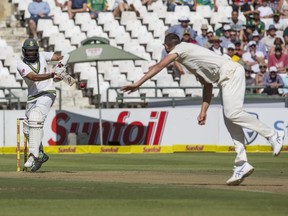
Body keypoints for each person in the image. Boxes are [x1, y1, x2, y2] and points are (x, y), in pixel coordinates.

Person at [121, 33, 284, 186]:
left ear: (167, 46)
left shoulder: (181, 48)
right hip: (224, 79)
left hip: (230, 73)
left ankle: (273, 135)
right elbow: (207, 84)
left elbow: (160, 65)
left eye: (165, 48)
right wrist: (203, 110)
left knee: (232, 113)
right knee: (230, 121)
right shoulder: (190, 59)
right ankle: (242, 163)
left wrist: (138, 83)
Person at [16, 38, 64, 172]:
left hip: (47, 92)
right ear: (24, 51)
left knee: (35, 117)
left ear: (37, 50)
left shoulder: (43, 55)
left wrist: (62, 64)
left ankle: (33, 155)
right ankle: (41, 154)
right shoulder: (20, 65)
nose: (31, 54)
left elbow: (57, 57)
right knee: (27, 128)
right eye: (28, 51)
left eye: (33, 51)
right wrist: (53, 74)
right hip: (32, 97)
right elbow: (33, 77)